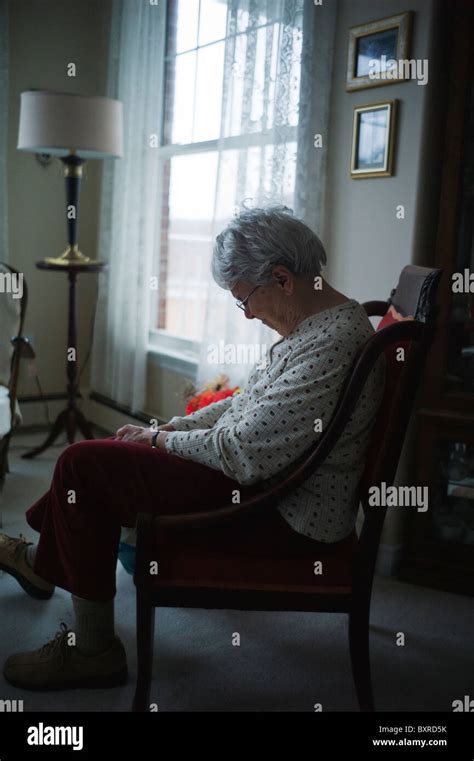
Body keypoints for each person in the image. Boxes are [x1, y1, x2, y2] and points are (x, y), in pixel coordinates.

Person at [0, 205, 384, 691]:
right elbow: (246, 405)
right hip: (268, 483)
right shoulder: (318, 325)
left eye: (244, 299)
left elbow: (244, 452)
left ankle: (89, 645)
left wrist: (162, 440)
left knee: (82, 464)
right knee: (101, 461)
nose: (247, 314)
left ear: (283, 279)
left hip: (281, 513)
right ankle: (39, 565)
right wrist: (167, 429)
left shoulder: (330, 344)